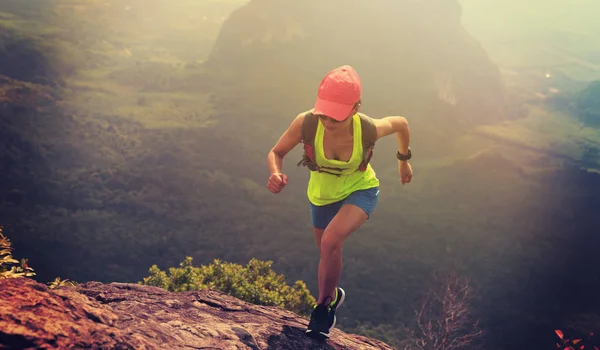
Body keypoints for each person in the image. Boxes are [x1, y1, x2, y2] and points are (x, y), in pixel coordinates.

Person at [266, 65, 413, 340]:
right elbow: (276, 152)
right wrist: (275, 173)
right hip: (321, 195)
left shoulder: (368, 129)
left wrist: (403, 161)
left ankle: (322, 309)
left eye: (335, 116)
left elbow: (401, 124)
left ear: (355, 108)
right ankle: (333, 296)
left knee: (331, 240)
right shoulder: (306, 122)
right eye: (324, 113)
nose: (327, 121)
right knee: (326, 251)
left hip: (361, 189)